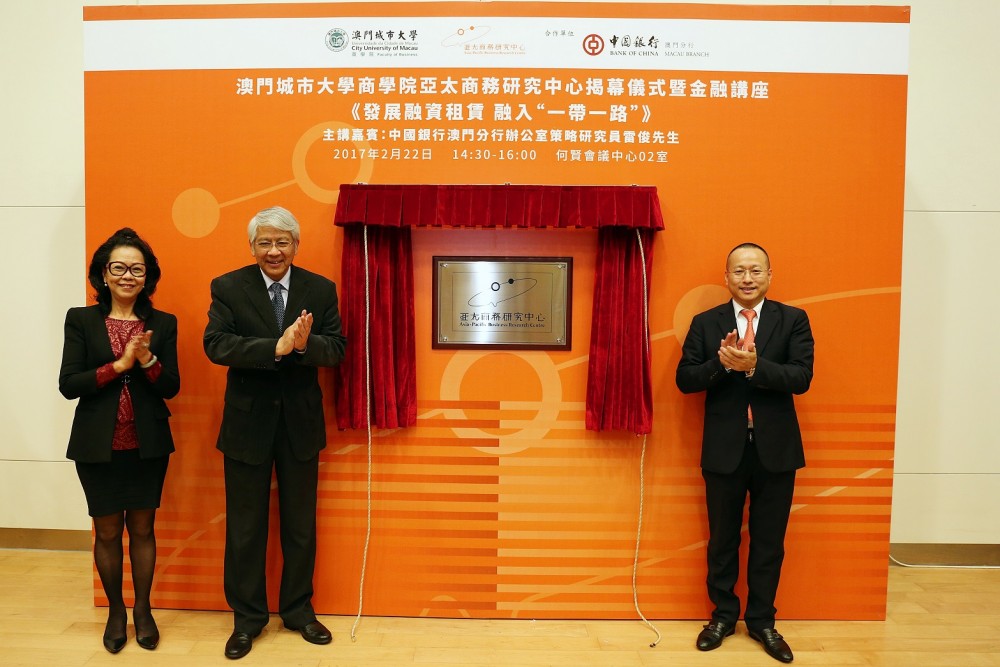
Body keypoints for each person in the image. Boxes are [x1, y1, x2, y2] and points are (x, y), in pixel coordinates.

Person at [204, 205, 347, 660]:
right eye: (264, 242)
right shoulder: (228, 286)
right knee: (246, 528)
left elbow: (337, 348)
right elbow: (217, 344)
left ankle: (298, 611)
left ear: (296, 246)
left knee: (300, 526)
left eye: (282, 242)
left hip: (300, 424)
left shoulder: (320, 289)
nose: (273, 250)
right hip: (247, 424)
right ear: (252, 247)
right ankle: (247, 620)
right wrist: (276, 346)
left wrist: (304, 346)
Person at [675, 242, 814, 664]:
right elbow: (686, 379)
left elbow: (801, 376)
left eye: (755, 270)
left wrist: (752, 366)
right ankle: (721, 617)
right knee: (722, 540)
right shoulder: (705, 322)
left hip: (776, 450)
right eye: (739, 271)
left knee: (769, 542)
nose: (747, 278)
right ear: (727, 277)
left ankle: (762, 622)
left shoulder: (793, 320)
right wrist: (722, 363)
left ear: (770, 275)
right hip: (724, 450)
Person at [59, 228, 180, 654]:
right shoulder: (81, 319)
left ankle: (143, 611)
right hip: (97, 445)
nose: (128, 275)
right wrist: (120, 364)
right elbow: (69, 384)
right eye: (119, 268)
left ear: (147, 277)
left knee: (143, 530)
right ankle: (115, 611)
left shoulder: (163, 323)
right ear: (103, 275)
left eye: (137, 269)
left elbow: (170, 387)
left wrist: (147, 362)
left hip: (148, 445)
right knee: (107, 532)